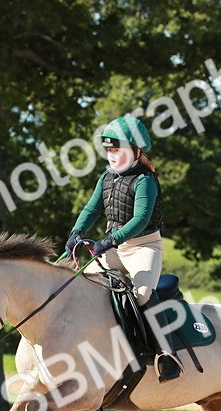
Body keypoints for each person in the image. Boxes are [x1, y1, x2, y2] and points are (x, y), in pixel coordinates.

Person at [65, 116, 182, 382]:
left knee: (141, 293)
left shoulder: (146, 181)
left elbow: (140, 220)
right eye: (109, 150)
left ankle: (168, 355)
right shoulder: (106, 178)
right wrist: (77, 232)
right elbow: (92, 208)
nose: (112, 155)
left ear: (136, 152)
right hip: (115, 246)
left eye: (118, 149)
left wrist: (109, 240)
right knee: (80, 283)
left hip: (144, 247)